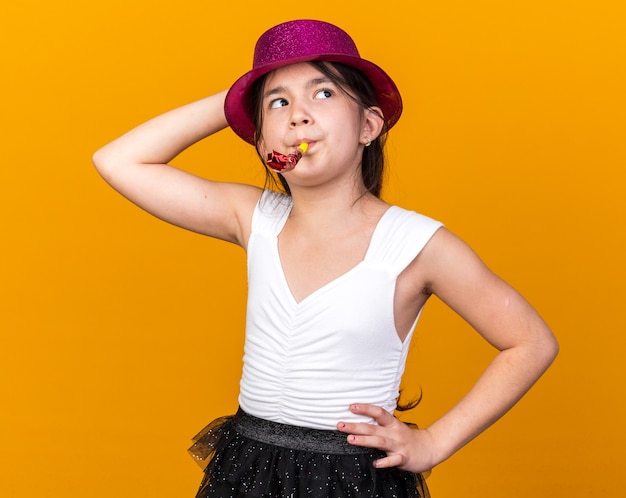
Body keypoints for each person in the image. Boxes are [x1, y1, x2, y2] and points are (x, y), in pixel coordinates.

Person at [93, 19, 558, 498]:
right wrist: (242, 96)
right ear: (261, 141)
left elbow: (530, 342)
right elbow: (120, 161)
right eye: (279, 103)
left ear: (369, 125)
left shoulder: (416, 244)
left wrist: (435, 441)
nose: (298, 115)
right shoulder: (253, 218)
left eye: (323, 93)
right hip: (248, 464)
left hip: (351, 478)